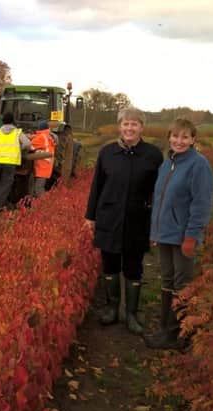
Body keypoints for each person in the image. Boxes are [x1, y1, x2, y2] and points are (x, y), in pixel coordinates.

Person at [85, 107, 163, 334]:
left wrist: (156, 222)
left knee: (133, 267)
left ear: (141, 127)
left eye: (134, 124)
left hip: (138, 219)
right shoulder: (107, 152)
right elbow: (96, 186)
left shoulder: (153, 155)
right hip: (109, 217)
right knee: (109, 263)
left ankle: (131, 313)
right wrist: (90, 216)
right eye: (125, 124)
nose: (130, 128)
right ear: (119, 126)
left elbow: (158, 192)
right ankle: (111, 308)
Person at [144, 118, 213, 349]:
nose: (179, 141)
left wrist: (191, 237)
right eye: (175, 136)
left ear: (193, 140)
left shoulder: (198, 165)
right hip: (165, 234)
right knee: (166, 280)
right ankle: (166, 330)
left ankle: (179, 336)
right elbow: (160, 200)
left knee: (182, 284)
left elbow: (201, 204)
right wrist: (155, 231)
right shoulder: (167, 164)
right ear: (169, 138)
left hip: (183, 237)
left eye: (185, 137)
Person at [30, 120, 56, 197]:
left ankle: (44, 205)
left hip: (42, 166)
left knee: (38, 189)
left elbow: (30, 146)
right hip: (46, 166)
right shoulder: (47, 136)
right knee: (38, 188)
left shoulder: (41, 137)